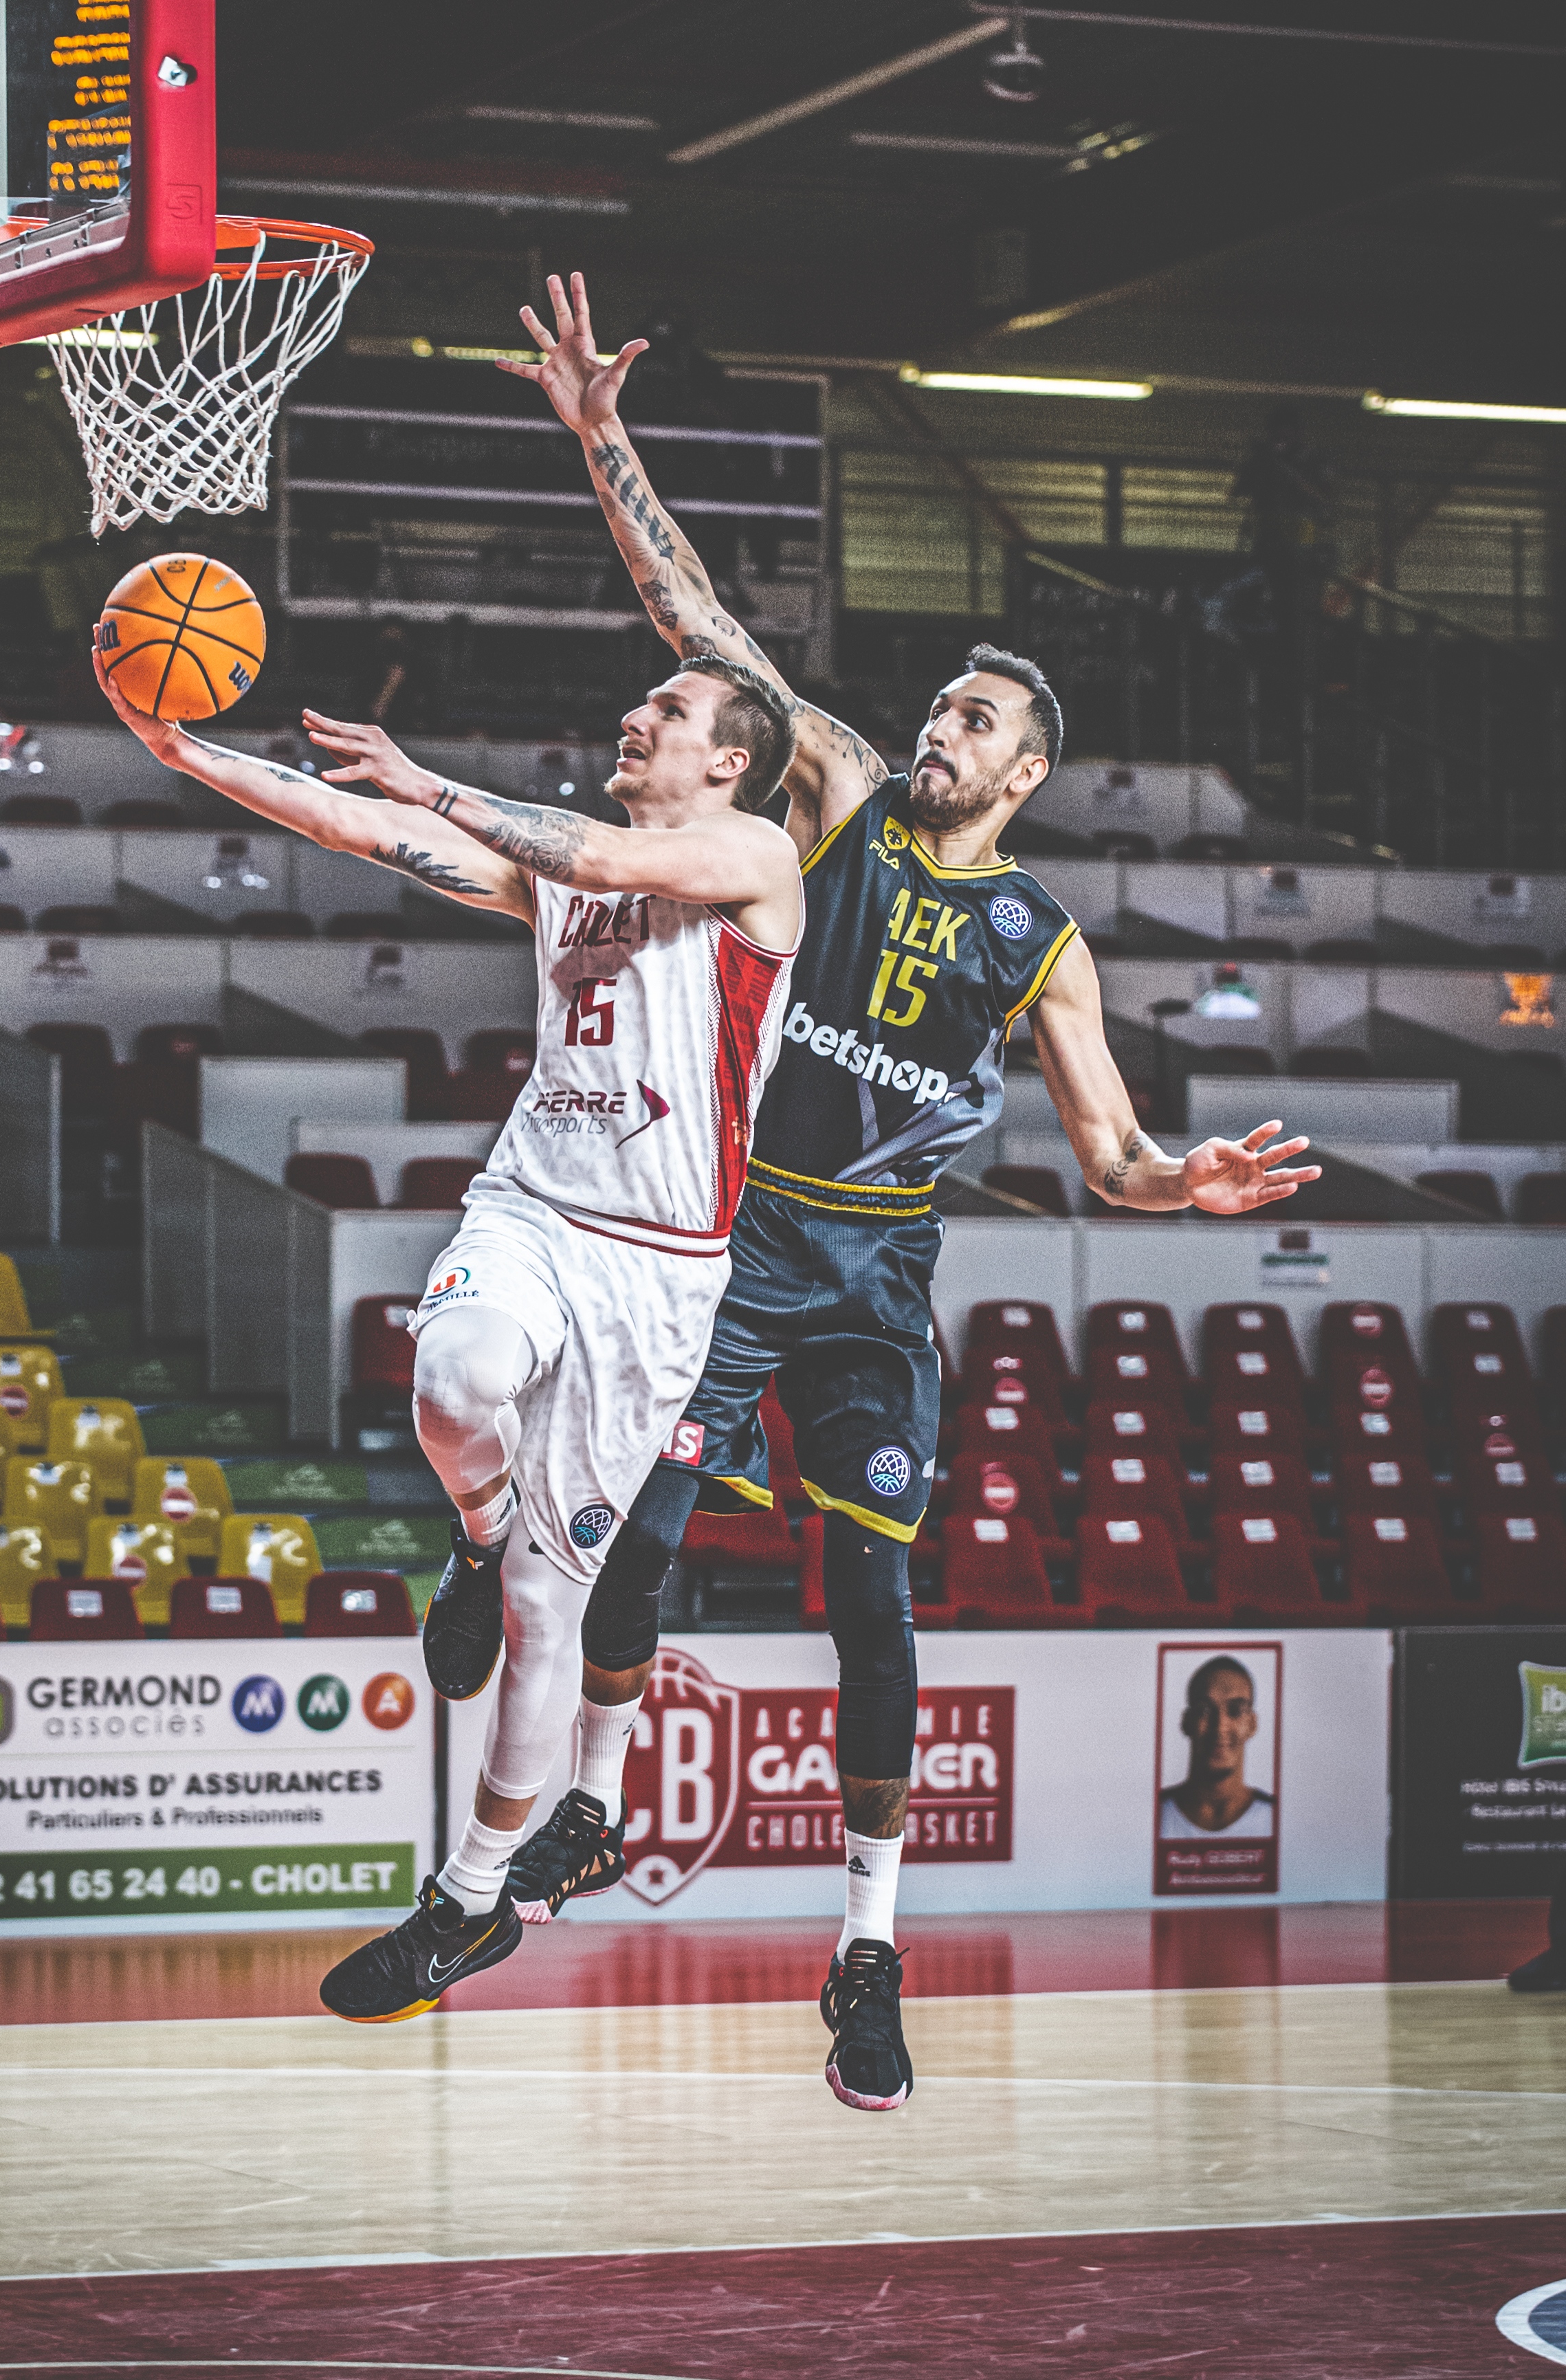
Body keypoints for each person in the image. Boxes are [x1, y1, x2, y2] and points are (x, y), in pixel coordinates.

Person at [498, 272, 1323, 2115]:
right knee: (635, 1543)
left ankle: (862, 1953)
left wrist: (1173, 1179)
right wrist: (601, 439)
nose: (935, 725)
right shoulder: (846, 799)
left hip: (875, 1289)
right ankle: (591, 1810)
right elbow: (696, 620)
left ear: (1020, 775)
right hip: (743, 1238)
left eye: (970, 719)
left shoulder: (1043, 940)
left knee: (870, 1614)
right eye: (940, 703)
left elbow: (1104, 1154)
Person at [92, 627, 802, 2021]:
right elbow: (367, 833)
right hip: (534, 1202)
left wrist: (431, 780)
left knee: (555, 1616)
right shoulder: (563, 867)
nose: (633, 710)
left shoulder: (754, 861)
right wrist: (186, 749)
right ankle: (473, 1532)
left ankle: (465, 1901)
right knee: (452, 1374)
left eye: (667, 702)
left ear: (729, 760)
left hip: (658, 1273)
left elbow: (588, 857)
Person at [1158, 1654, 1275, 1838]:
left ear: (1252, 1724)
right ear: (1187, 1722)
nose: (1220, 1727)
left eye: (1235, 1710)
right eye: (1204, 1710)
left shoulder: (1277, 1818)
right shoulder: (1151, 1815)